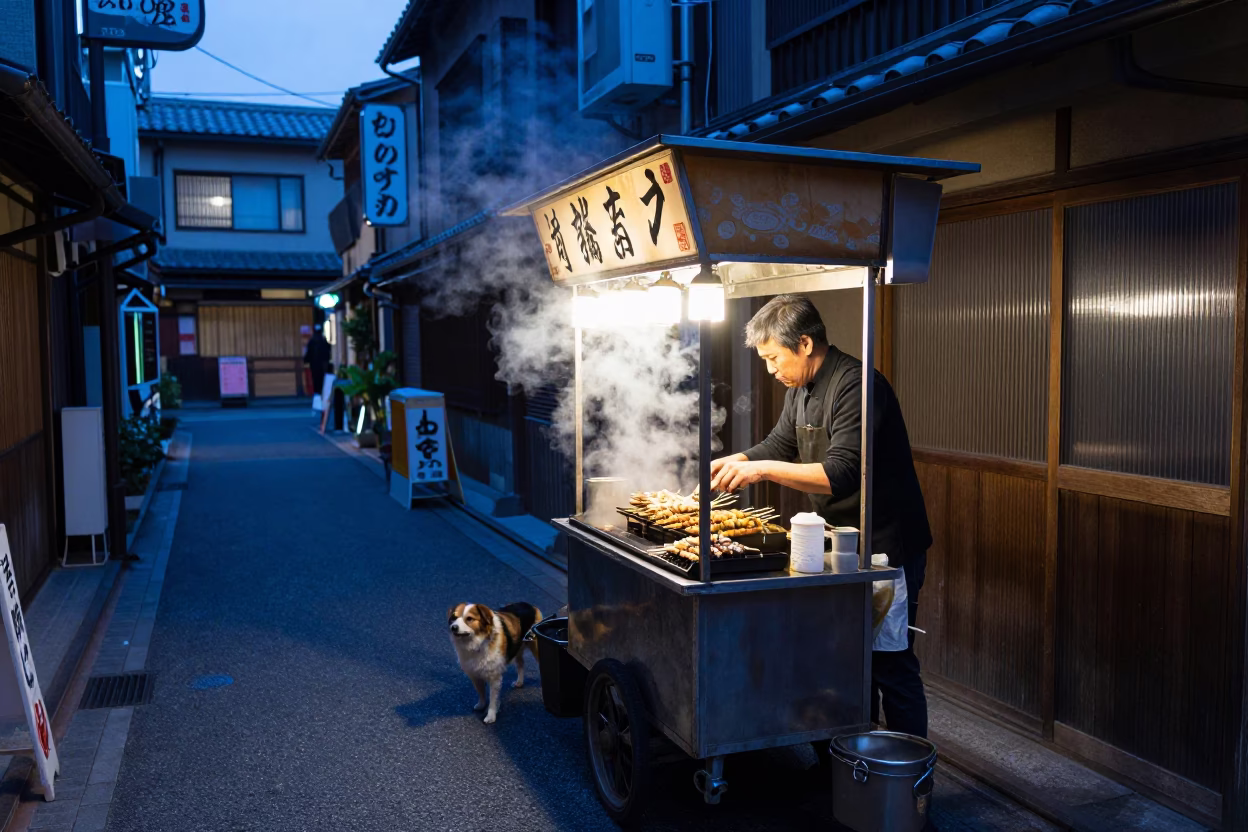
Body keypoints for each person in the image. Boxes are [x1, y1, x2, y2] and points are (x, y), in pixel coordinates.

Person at [710, 294, 932, 741]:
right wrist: (738, 459)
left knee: (889, 662)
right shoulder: (800, 389)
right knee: (845, 656)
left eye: (774, 357)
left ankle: (908, 783)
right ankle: (853, 762)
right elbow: (779, 445)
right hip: (841, 541)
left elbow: (843, 473)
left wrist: (761, 469)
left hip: (886, 545)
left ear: (805, 344)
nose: (771, 370)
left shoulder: (858, 386)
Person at [303, 323, 331, 399]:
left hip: (314, 364)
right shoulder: (323, 340)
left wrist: (305, 361)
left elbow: (308, 353)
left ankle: (317, 396)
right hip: (323, 364)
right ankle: (322, 395)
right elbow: (328, 352)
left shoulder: (312, 341)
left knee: (315, 380)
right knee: (322, 380)